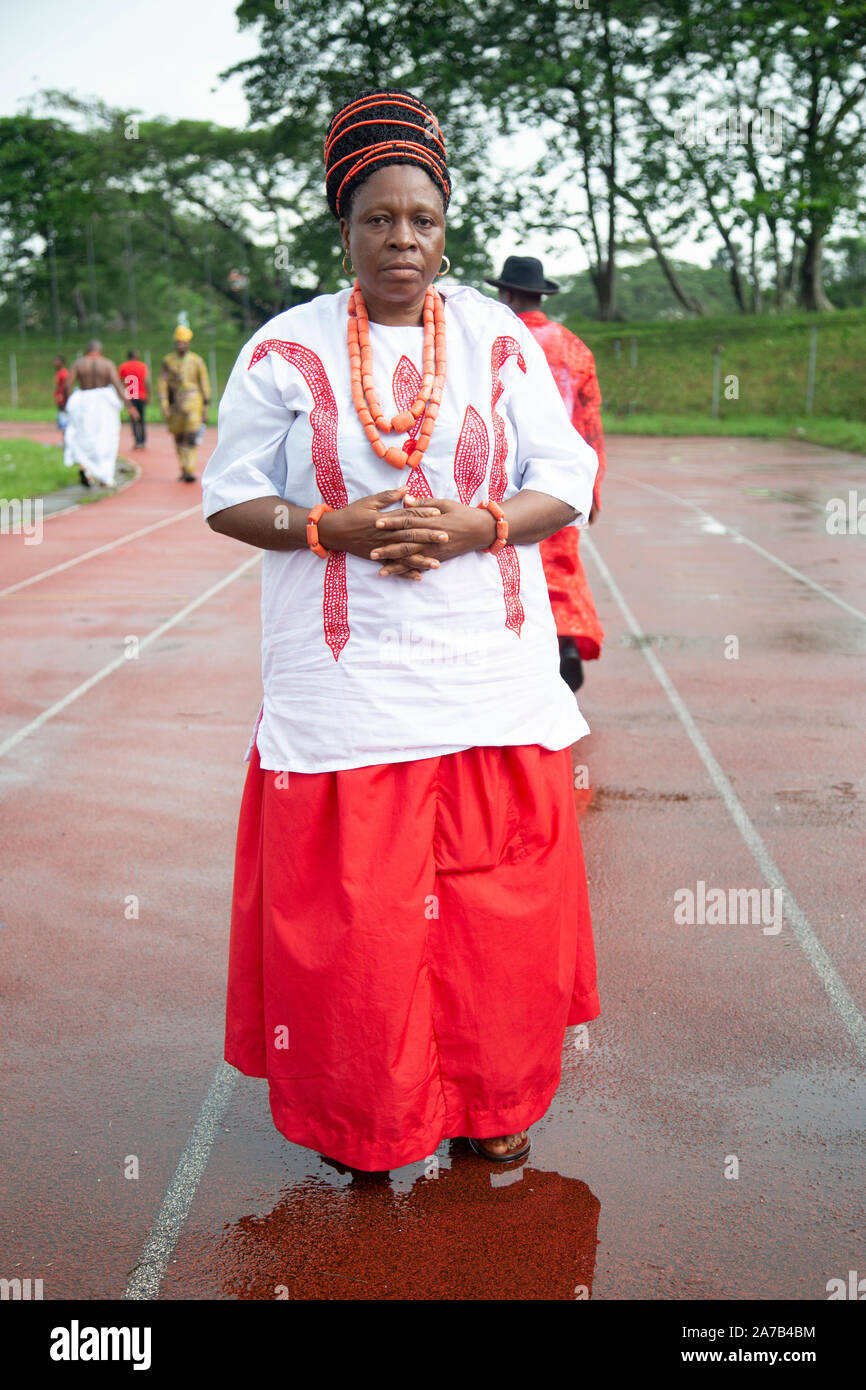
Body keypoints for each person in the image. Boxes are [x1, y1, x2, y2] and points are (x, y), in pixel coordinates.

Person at [202, 89, 600, 1172]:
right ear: (344, 225)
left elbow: (565, 477)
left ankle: (492, 1101)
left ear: (445, 224)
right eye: (378, 218)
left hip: (485, 682)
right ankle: (365, 1126)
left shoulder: (496, 339)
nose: (402, 240)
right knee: (361, 928)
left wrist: (476, 523)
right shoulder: (282, 349)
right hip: (348, 697)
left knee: (493, 913)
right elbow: (228, 494)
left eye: (421, 219)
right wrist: (334, 525)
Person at [486, 256, 607, 692]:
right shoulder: (574, 348)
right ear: (541, 295)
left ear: (507, 294)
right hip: (559, 483)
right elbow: (589, 422)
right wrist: (589, 487)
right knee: (562, 567)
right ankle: (566, 647)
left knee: (501, 566)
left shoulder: (494, 340)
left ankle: (516, 663)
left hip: (501, 480)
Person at [61, 340, 136, 488]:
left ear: (86, 350)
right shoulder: (107, 364)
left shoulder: (79, 364)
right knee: (106, 439)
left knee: (83, 438)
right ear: (101, 351)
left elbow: (66, 385)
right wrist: (130, 407)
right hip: (104, 406)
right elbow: (118, 387)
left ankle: (85, 467)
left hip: (84, 403)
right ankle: (105, 477)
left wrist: (67, 403)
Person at [159, 327, 210, 482]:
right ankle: (183, 467)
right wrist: (163, 402)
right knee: (179, 437)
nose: (180, 345)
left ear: (189, 343)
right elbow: (163, 382)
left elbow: (204, 382)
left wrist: (205, 408)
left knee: (191, 436)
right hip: (175, 402)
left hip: (194, 401)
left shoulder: (197, 361)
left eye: (183, 342)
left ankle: (190, 469)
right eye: (178, 342)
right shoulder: (168, 361)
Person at [119, 348, 149, 448]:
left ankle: (137, 440)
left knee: (133, 419)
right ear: (136, 355)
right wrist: (148, 395)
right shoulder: (142, 366)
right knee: (142, 419)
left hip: (130, 397)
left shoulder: (123, 367)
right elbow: (146, 381)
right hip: (141, 396)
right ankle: (143, 440)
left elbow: (122, 383)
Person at [53, 355, 69, 436]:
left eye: (56, 361)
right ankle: (64, 439)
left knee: (64, 419)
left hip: (63, 399)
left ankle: (65, 439)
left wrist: (64, 396)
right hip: (60, 398)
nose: (54, 363)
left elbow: (66, 386)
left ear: (61, 362)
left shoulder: (64, 373)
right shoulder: (59, 373)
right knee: (62, 417)